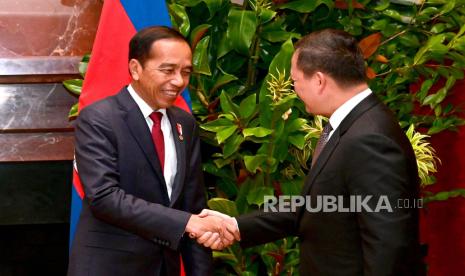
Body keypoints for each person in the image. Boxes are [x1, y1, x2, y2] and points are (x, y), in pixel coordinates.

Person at [198, 29, 423, 275]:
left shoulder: (369, 139)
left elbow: (388, 248)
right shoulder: (354, 124)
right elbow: (322, 205)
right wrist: (235, 225)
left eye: (295, 81)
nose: (294, 89)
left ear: (318, 80)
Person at [68, 26, 234, 276]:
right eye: (167, 70)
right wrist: (187, 222)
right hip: (109, 268)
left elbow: (192, 205)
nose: (179, 81)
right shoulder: (99, 118)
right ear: (135, 68)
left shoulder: (184, 124)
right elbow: (104, 197)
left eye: (185, 72)